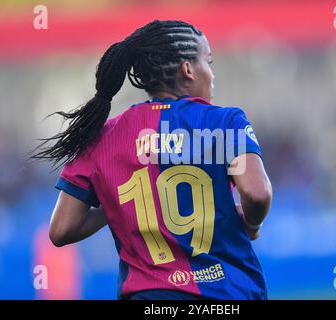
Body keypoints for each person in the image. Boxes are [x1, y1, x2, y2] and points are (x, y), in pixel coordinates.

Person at [33, 20, 272, 300]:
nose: (212, 74)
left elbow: (62, 229)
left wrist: (122, 206)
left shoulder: (100, 137)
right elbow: (257, 193)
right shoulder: (224, 121)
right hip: (225, 294)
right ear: (187, 69)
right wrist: (253, 224)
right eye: (207, 61)